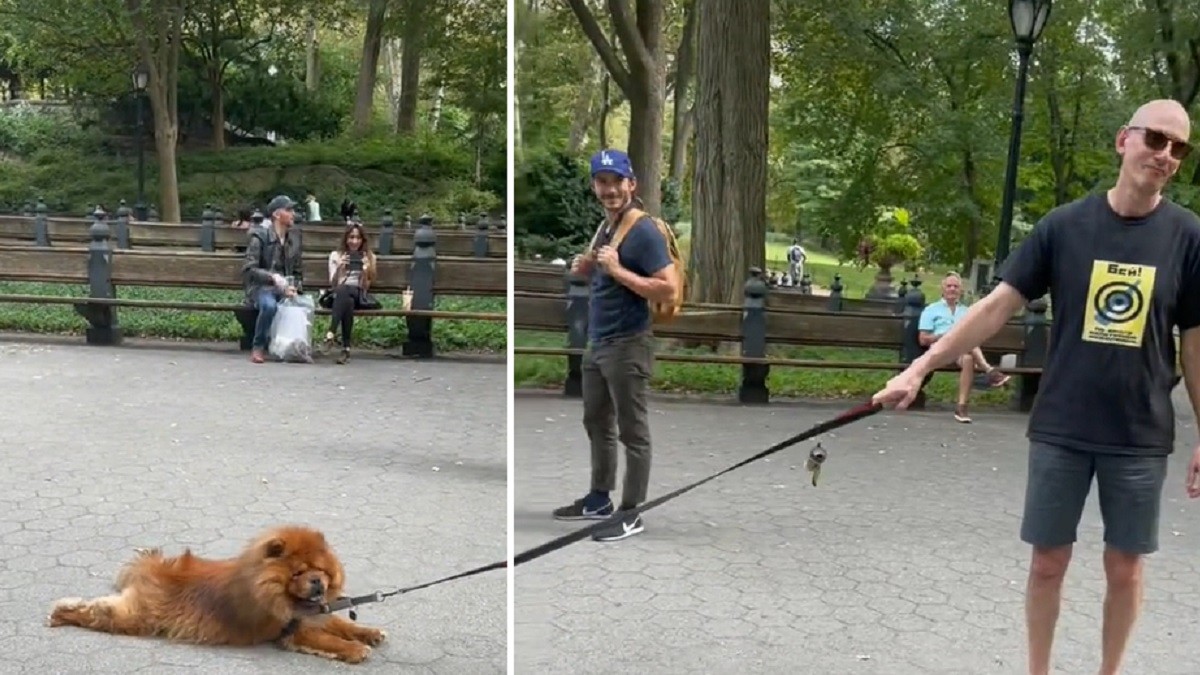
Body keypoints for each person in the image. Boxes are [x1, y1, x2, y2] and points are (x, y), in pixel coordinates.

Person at [872, 99, 1200, 675]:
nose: (1165, 154)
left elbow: (1195, 342)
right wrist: (918, 369)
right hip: (1063, 426)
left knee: (1126, 568)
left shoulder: (1187, 236)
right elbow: (995, 307)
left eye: (1179, 148)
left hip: (1140, 430)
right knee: (1048, 562)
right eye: (1155, 138)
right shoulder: (1064, 226)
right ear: (1124, 140)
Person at [551, 148, 680, 542]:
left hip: (628, 344)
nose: (609, 189)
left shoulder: (642, 231)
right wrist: (590, 267)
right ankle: (599, 498)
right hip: (599, 342)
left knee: (633, 431)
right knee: (596, 422)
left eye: (616, 182)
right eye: (601, 182)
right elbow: (606, 275)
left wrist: (617, 270)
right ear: (594, 186)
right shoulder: (608, 226)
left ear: (631, 184)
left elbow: (668, 287)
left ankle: (631, 512)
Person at [918, 271, 1010, 423]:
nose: (952, 289)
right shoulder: (931, 310)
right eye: (949, 286)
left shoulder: (966, 311)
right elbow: (923, 339)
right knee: (965, 340)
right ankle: (990, 371)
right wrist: (945, 335)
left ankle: (961, 408)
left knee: (968, 358)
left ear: (961, 290)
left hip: (961, 351)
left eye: (956, 286)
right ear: (943, 289)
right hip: (939, 350)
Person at [241, 194, 304, 364]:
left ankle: (294, 348)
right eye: (289, 210)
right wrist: (272, 277)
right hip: (261, 287)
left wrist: (295, 286)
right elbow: (249, 269)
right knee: (269, 305)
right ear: (277, 214)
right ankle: (258, 346)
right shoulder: (259, 236)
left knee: (301, 306)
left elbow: (298, 271)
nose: (293, 214)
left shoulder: (295, 239)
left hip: (285, 288)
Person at [322, 222, 379, 364]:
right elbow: (333, 284)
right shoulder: (336, 255)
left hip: (359, 294)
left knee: (346, 292)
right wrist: (340, 268)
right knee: (346, 298)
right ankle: (346, 349)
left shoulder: (370, 257)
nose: (354, 241)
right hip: (342, 295)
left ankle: (331, 333)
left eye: (358, 238)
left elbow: (365, 288)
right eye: (351, 237)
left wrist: (365, 271)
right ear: (346, 239)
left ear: (362, 240)